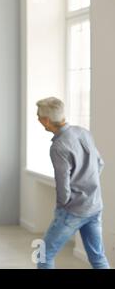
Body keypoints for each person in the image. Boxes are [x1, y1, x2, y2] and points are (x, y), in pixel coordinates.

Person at [36, 97, 110, 269]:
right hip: (95, 205)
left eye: (38, 116)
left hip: (73, 211)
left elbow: (63, 186)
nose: (38, 119)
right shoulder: (82, 132)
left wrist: (62, 206)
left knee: (43, 255)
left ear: (46, 120)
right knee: (98, 257)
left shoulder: (58, 146)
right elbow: (100, 163)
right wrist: (87, 185)